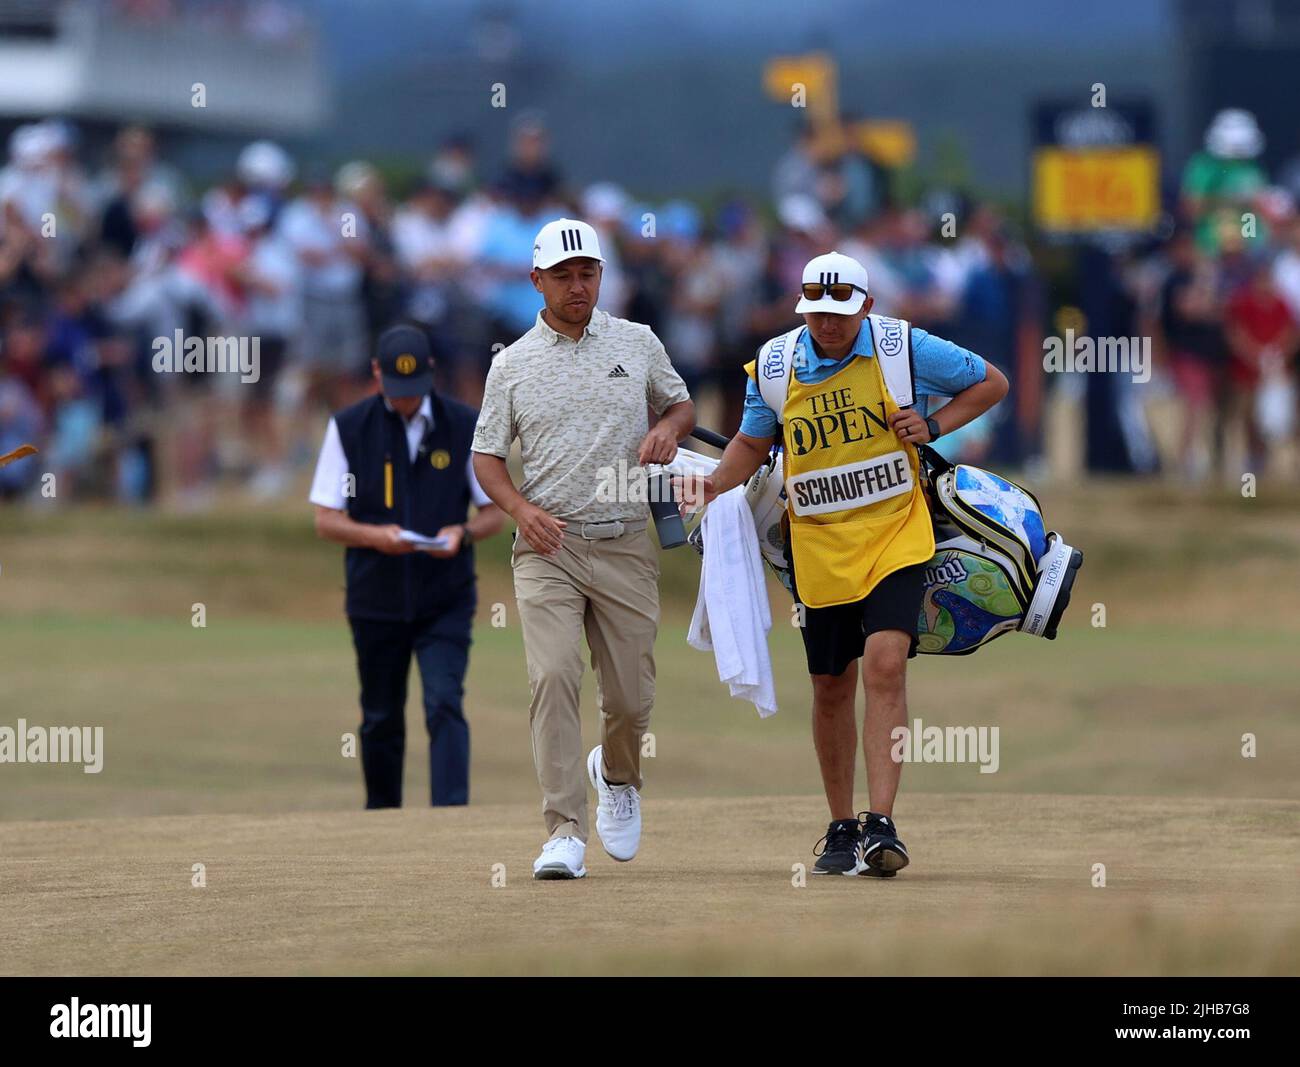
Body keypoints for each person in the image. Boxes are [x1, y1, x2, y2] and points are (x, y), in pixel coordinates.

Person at [676, 251, 1007, 877]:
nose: (827, 323)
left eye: (840, 311)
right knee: (831, 686)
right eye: (816, 311)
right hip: (818, 546)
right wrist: (715, 486)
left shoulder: (901, 347)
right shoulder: (773, 365)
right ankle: (839, 825)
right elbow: (752, 441)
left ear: (866, 305)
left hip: (896, 533)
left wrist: (933, 425)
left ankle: (882, 823)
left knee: (886, 663)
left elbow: (991, 382)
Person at [471, 218, 695, 880]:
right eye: (564, 275)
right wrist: (519, 509)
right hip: (549, 546)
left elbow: (680, 408)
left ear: (601, 275)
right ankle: (564, 827)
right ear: (535, 280)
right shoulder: (510, 364)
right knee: (553, 676)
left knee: (631, 698)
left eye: (588, 272)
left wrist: (667, 428)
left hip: (626, 541)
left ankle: (617, 775)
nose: (578, 285)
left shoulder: (637, 340)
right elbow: (486, 457)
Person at [310, 324, 504, 808]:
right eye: (395, 392)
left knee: (444, 703)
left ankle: (451, 817)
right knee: (379, 716)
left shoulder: (464, 426)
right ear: (376, 374)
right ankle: (382, 819)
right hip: (374, 597)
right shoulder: (349, 428)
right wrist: (375, 537)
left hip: (446, 595)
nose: (405, 402)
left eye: (414, 391)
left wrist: (461, 533)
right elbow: (326, 519)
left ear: (430, 375)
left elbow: (495, 511)